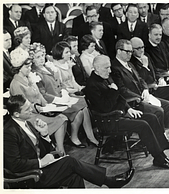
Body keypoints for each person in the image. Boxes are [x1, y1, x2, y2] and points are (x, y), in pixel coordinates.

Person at [4, 94, 134, 188]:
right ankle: (109, 181)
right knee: (69, 162)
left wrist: (44, 135)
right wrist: (40, 162)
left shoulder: (27, 123)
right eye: (27, 109)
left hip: (42, 167)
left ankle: (109, 181)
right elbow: (13, 164)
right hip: (30, 176)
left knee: (74, 176)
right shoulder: (9, 132)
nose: (31, 110)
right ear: (16, 114)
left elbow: (42, 149)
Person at [85, 55, 169, 169]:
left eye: (109, 67)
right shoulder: (91, 85)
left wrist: (128, 108)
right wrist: (113, 91)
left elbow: (119, 97)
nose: (109, 71)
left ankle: (162, 151)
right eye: (106, 68)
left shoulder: (104, 77)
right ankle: (159, 158)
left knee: (151, 118)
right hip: (108, 121)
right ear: (97, 68)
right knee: (143, 125)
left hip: (118, 114)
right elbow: (105, 107)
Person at [30, 42, 99, 148]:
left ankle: (85, 137)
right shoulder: (34, 73)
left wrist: (64, 93)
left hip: (60, 98)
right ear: (32, 59)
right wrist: (59, 99)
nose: (41, 59)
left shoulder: (48, 68)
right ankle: (82, 137)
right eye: (38, 57)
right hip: (51, 103)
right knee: (81, 107)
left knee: (83, 105)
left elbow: (60, 85)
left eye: (42, 55)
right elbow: (43, 95)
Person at [9, 51, 67, 154]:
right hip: (29, 115)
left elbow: (39, 94)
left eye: (30, 66)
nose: (30, 69)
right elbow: (23, 106)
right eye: (27, 67)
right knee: (61, 120)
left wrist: (48, 106)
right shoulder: (16, 84)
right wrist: (37, 108)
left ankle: (59, 149)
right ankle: (60, 151)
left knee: (62, 117)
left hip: (40, 110)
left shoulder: (28, 78)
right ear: (18, 69)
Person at [111, 39, 169, 130]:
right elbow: (122, 89)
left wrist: (145, 89)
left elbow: (140, 79)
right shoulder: (114, 68)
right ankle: (159, 136)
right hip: (133, 100)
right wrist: (139, 97)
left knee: (168, 105)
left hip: (143, 95)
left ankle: (163, 133)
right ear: (119, 51)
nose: (130, 54)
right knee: (158, 111)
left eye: (131, 51)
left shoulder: (130, 64)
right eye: (127, 52)